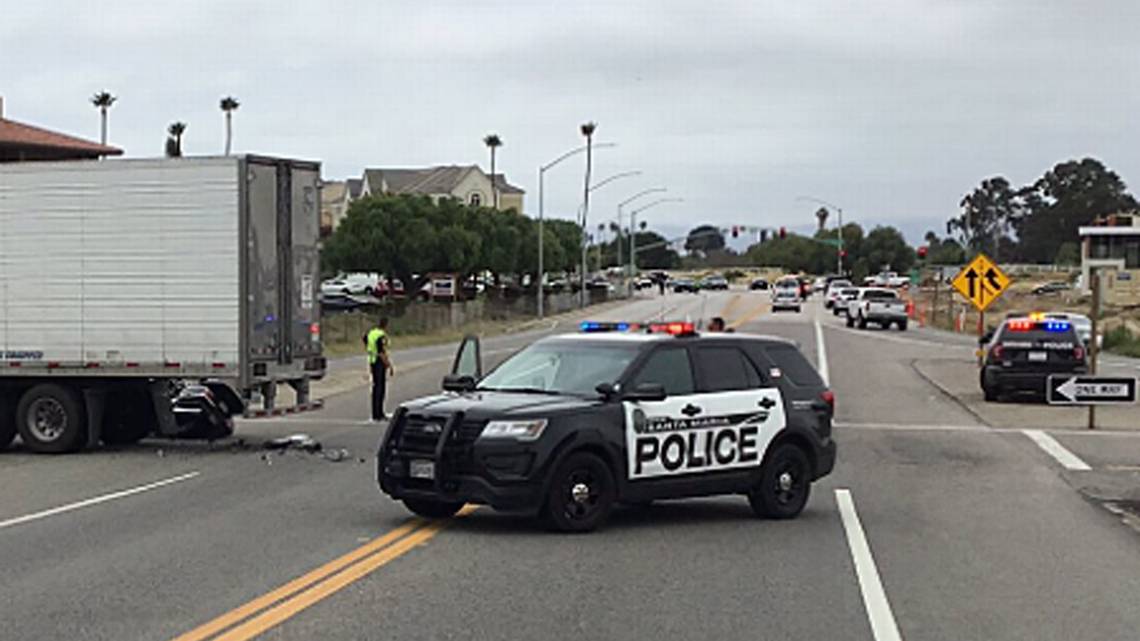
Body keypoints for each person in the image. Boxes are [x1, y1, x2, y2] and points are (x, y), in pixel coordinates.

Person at [364, 317, 394, 421]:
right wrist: (389, 365)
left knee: (376, 387)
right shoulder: (381, 335)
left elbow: (365, 340)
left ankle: (375, 413)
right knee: (380, 389)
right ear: (386, 325)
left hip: (372, 360)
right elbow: (381, 351)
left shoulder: (371, 333)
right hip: (379, 362)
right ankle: (379, 413)